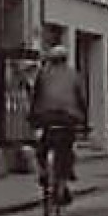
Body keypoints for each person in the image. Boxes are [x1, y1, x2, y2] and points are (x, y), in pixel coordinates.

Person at [28, 44, 89, 203]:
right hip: (68, 118)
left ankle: (43, 170)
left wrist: (33, 117)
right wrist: (85, 120)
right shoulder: (74, 75)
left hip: (46, 117)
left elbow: (35, 97)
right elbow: (81, 99)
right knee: (67, 148)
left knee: (42, 147)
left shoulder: (42, 74)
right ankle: (67, 172)